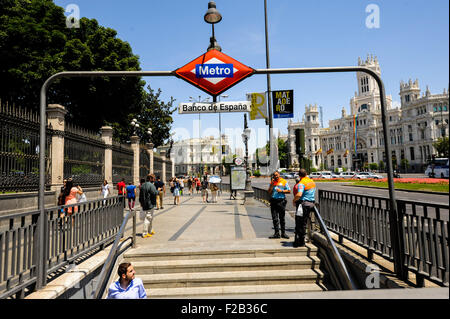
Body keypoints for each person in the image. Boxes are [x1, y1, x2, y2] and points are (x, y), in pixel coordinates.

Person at [292, 169, 316, 247]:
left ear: (299, 176)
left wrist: (294, 200)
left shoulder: (301, 183)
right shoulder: (311, 181)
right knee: (304, 222)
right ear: (306, 174)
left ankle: (300, 241)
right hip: (311, 203)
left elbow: (299, 194)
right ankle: (301, 240)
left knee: (300, 222)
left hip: (303, 205)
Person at [267, 171, 290, 239]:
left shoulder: (284, 181)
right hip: (274, 201)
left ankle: (283, 233)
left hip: (281, 201)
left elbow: (289, 191)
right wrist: (271, 186)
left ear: (279, 175)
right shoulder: (272, 182)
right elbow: (269, 192)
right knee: (275, 218)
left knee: (282, 218)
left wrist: (281, 191)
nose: (276, 176)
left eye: (277, 175)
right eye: (274, 175)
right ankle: (276, 234)